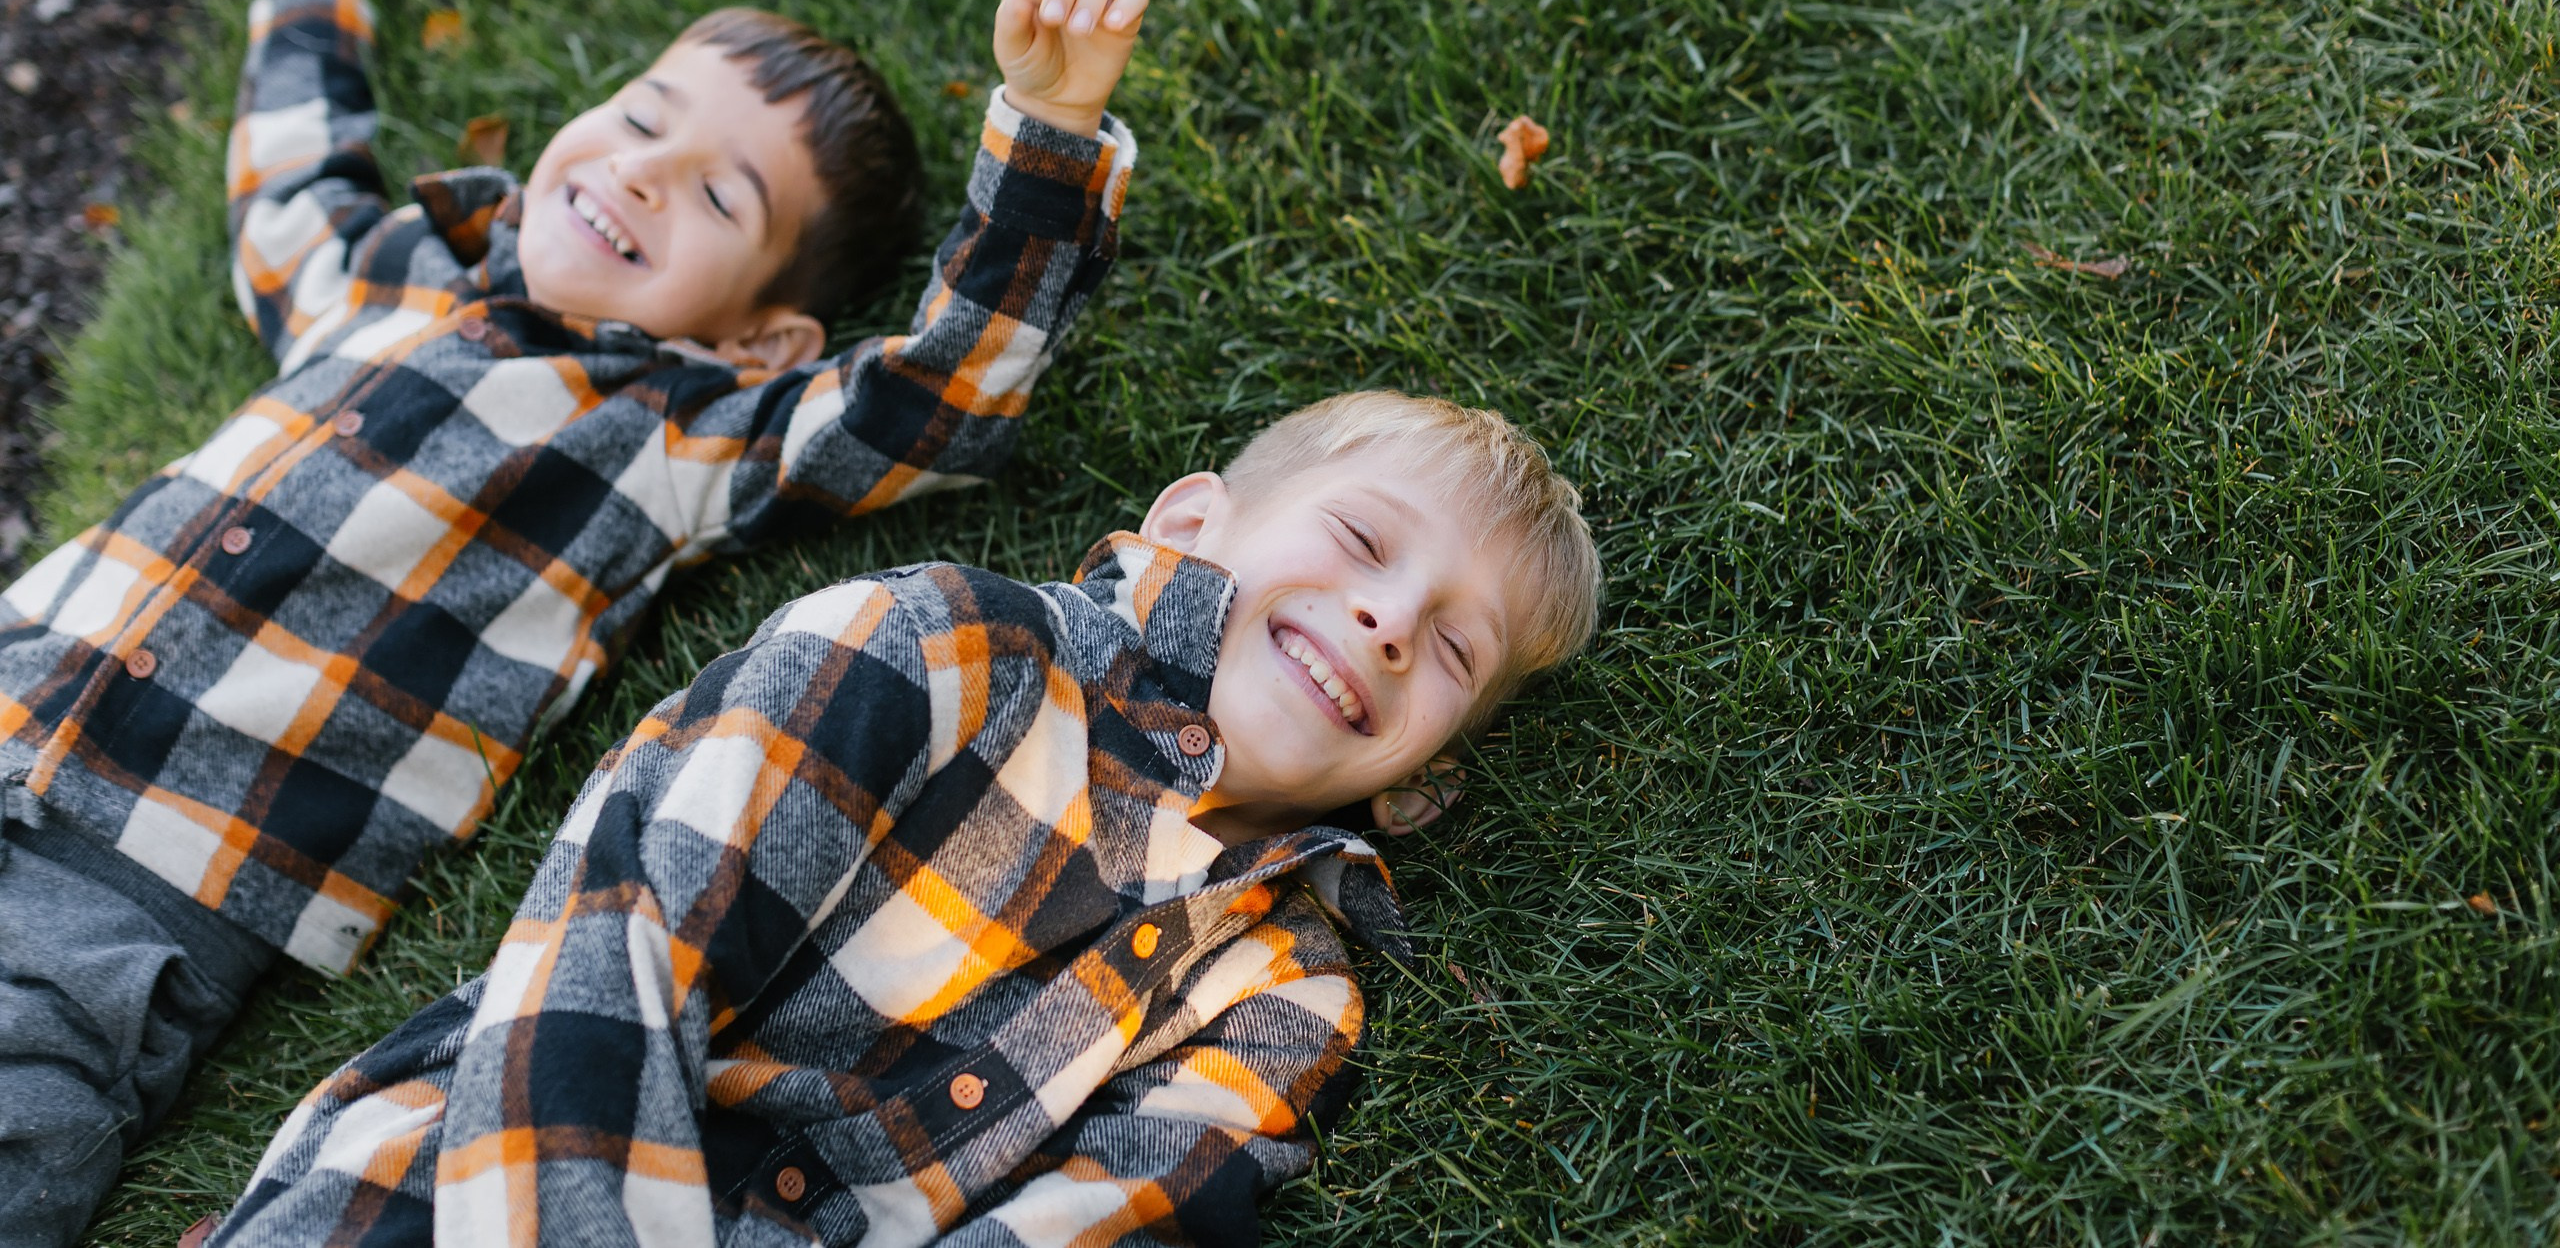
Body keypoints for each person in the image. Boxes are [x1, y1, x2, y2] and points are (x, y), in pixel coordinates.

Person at [0, 0, 1152, 1248]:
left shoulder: (674, 438)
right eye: (641, 116)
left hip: (138, 892)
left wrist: (1046, 134)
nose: (642, 171)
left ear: (760, 342)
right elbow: (288, 180)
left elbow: (940, 399)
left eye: (719, 194)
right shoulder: (390, 279)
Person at [211, 390, 1600, 1248]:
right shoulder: (941, 652)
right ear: (1187, 521)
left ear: (1418, 789)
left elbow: (1111, 1221)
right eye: (1363, 543)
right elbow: (622, 944)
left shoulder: (1284, 996)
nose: (1387, 620)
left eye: (1455, 650)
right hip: (458, 1187)